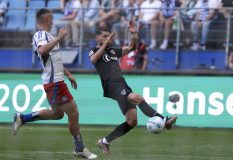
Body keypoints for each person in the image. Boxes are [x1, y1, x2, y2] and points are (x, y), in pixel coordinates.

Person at [12, 8, 97, 159]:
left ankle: (22, 118)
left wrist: (69, 74)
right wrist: (59, 38)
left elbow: (54, 61)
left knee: (58, 114)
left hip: (55, 81)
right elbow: (42, 51)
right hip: (54, 82)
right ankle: (79, 148)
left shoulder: (47, 36)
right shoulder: (41, 35)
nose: (53, 22)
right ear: (45, 20)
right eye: (51, 19)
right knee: (74, 113)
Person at [89, 21, 177, 155]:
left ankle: (105, 141)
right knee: (137, 97)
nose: (109, 38)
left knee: (132, 121)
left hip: (122, 84)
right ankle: (165, 121)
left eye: (109, 36)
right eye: (105, 36)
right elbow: (94, 59)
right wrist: (105, 44)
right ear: (97, 38)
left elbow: (132, 47)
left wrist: (134, 34)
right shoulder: (94, 51)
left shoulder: (113, 51)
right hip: (112, 85)